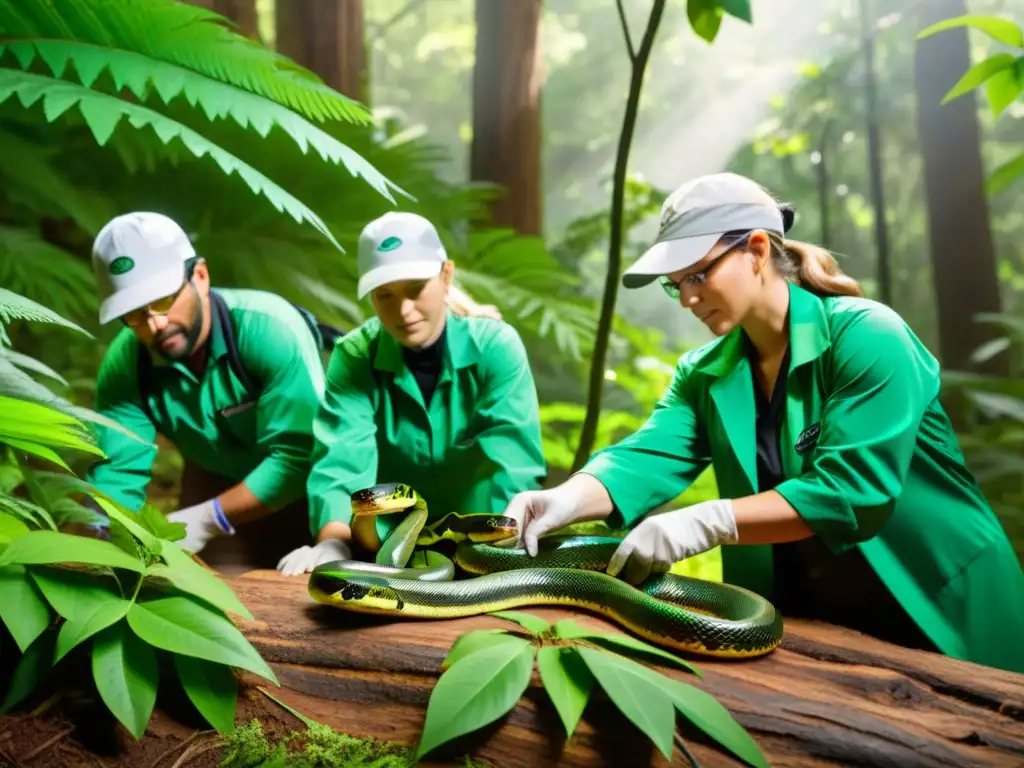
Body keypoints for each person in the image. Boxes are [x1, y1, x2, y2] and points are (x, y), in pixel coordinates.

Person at [502, 172, 1024, 674]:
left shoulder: (867, 336)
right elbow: (647, 455)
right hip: (816, 623)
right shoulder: (707, 372)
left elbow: (852, 489)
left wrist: (705, 522)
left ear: (755, 250)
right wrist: (568, 497)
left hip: (939, 603)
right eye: (676, 284)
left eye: (699, 275)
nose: (687, 298)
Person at [276, 211, 547, 575]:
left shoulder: (494, 347)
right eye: (385, 295)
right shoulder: (356, 356)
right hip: (388, 548)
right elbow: (341, 460)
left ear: (446, 276)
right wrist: (335, 540)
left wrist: (498, 547)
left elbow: (512, 464)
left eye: (416, 289)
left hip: (483, 541)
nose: (403, 310)